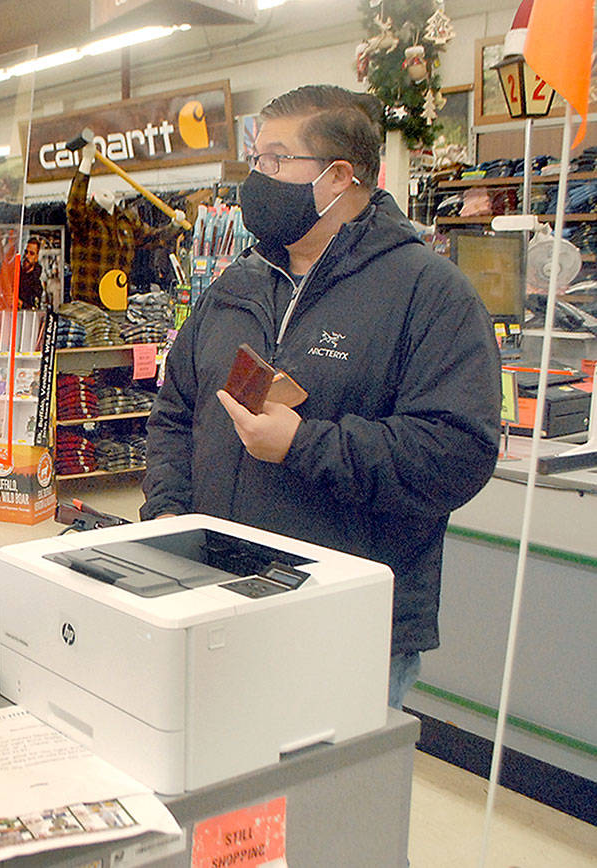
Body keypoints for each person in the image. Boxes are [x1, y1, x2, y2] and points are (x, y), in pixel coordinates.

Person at [141, 86, 501, 709]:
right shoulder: (236, 286)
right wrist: (171, 516)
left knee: (324, 803)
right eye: (256, 159)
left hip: (342, 627)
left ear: (339, 177)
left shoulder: (428, 293)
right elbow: (177, 413)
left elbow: (457, 453)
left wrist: (303, 444)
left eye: (277, 160)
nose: (259, 177)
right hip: (213, 603)